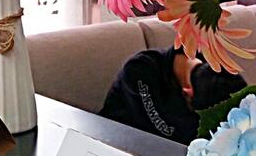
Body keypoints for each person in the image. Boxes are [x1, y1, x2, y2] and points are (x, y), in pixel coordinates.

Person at [99, 47, 246, 144]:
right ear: (187, 93)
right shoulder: (140, 70)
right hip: (114, 146)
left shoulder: (215, 76)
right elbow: (168, 133)